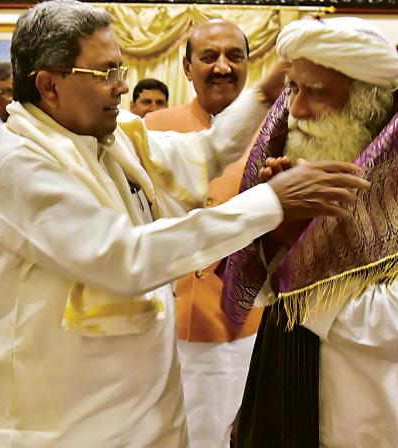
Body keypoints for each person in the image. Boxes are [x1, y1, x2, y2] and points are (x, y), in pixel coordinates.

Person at [0, 2, 369, 446]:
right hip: (59, 423)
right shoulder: (21, 164)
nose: (120, 87)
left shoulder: (106, 139)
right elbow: (125, 257)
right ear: (49, 86)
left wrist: (266, 94)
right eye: (105, 73)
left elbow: (203, 153)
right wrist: (272, 202)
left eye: (121, 69)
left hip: (136, 411)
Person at [223, 17, 398, 447]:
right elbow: (271, 293)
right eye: (294, 89)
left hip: (374, 428)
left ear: (368, 103)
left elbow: (395, 328)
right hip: (284, 406)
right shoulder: (308, 172)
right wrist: (271, 224)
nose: (296, 110)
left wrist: (297, 245)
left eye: (316, 92)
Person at [145, 18, 257, 448]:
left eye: (235, 56)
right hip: (160, 324)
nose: (223, 66)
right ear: (187, 67)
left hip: (241, 326)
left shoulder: (277, 132)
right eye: (209, 57)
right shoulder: (152, 128)